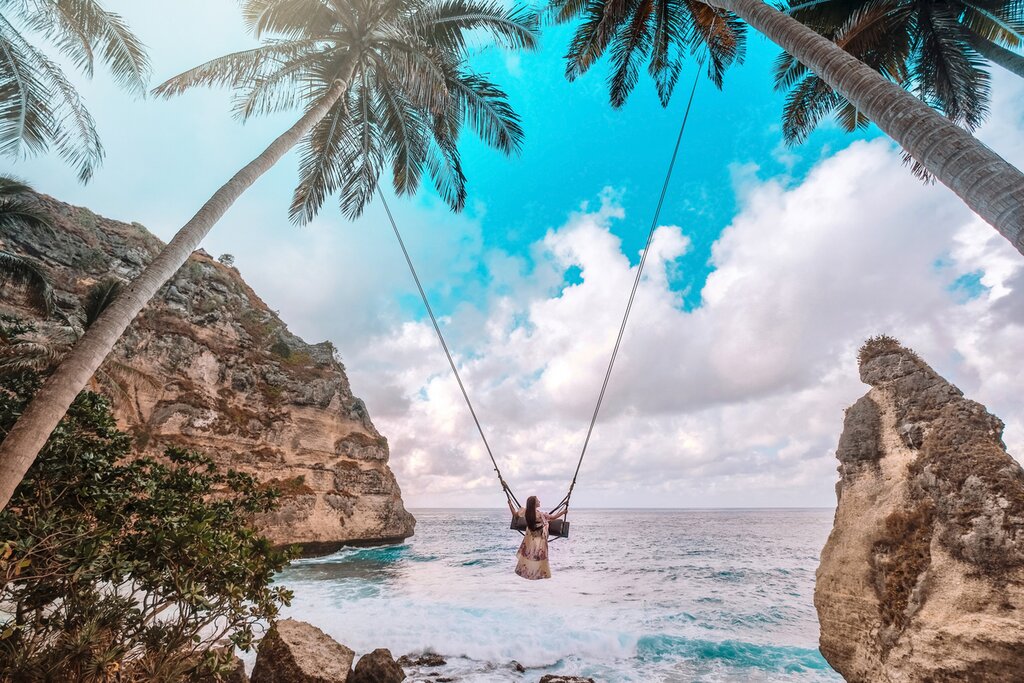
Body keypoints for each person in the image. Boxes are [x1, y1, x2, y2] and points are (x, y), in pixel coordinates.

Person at [510, 495, 567, 580]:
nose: (539, 501)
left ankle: (527, 571)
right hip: (540, 536)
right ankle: (539, 573)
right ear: (534, 504)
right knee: (540, 556)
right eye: (538, 500)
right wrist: (563, 512)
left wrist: (510, 504)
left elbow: (515, 514)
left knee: (530, 555)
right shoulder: (540, 515)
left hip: (531, 535)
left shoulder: (525, 511)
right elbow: (553, 517)